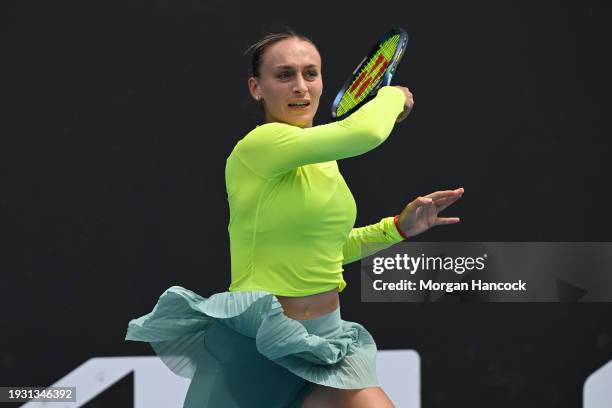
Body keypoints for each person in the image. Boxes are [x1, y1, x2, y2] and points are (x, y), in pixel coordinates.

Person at [125, 29, 463, 408]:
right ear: (257, 88)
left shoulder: (323, 159)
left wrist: (399, 227)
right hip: (255, 354)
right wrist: (392, 95)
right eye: (284, 75)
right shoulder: (259, 146)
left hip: (324, 346)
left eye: (310, 74)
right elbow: (366, 131)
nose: (300, 87)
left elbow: (326, 251)